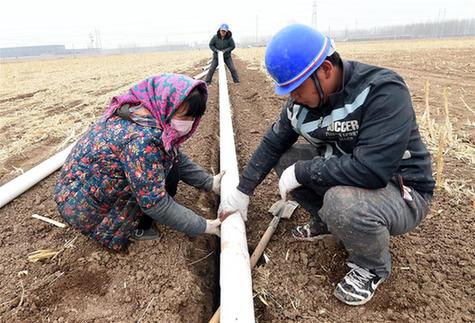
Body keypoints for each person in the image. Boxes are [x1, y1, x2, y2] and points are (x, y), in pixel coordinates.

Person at [219, 24, 434, 306]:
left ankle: (372, 267)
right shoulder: (301, 105)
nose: (292, 97)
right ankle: (326, 219)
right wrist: (242, 191)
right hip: (350, 173)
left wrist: (303, 172)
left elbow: (372, 171)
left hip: (400, 191)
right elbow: (273, 144)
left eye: (297, 88)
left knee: (339, 201)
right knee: (286, 159)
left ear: (326, 70)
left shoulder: (382, 91)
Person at [54, 73, 223, 252]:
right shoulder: (142, 141)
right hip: (83, 206)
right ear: (167, 104)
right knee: (155, 188)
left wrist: (209, 182)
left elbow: (175, 157)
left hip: (84, 186)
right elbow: (155, 203)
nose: (187, 124)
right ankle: (137, 228)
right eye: (184, 116)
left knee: (167, 169)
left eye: (192, 118)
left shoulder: (144, 113)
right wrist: (204, 226)